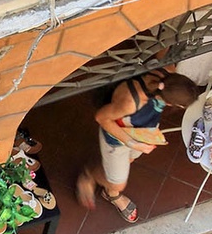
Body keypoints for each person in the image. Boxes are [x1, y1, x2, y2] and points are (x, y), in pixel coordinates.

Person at [76, 70, 203, 222]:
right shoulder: (131, 103)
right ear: (170, 103)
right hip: (117, 140)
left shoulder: (167, 72)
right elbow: (101, 118)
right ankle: (91, 176)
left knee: (128, 161)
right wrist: (133, 143)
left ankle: (110, 190)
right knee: (118, 183)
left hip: (140, 134)